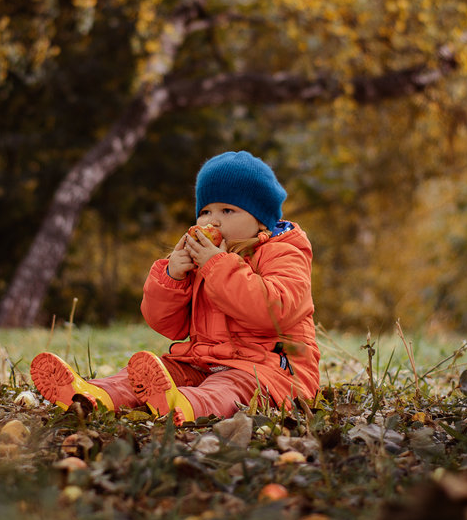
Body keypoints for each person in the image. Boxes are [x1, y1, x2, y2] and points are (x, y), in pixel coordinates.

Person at [30, 150, 320, 424]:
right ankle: (94, 395)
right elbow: (167, 325)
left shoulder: (283, 252)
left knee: (228, 387)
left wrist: (216, 265)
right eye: (205, 211)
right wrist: (173, 277)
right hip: (202, 362)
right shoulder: (204, 257)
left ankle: (183, 406)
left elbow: (273, 310)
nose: (213, 220)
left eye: (228, 210)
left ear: (261, 219)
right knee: (156, 372)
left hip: (269, 371)